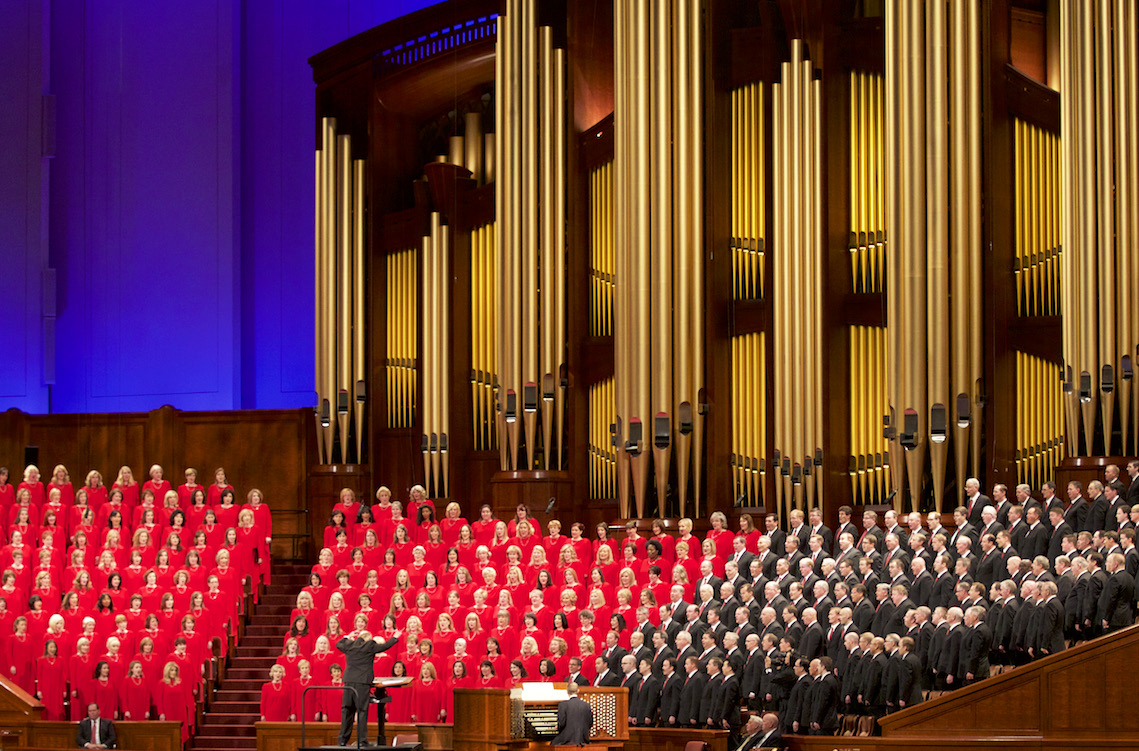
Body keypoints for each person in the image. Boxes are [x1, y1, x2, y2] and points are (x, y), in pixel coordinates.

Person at [336, 630, 399, 747]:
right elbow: (384, 646)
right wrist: (395, 637)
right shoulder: (369, 645)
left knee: (347, 710)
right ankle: (362, 740)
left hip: (349, 681)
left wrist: (347, 636)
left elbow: (338, 644)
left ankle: (342, 740)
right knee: (362, 711)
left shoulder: (350, 645)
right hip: (362, 682)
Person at [550, 682, 594, 746]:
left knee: (552, 743)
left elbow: (561, 724)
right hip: (583, 740)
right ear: (578, 691)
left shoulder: (563, 705)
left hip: (566, 740)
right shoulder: (586, 705)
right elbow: (590, 723)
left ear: (567, 691)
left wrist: (557, 727)